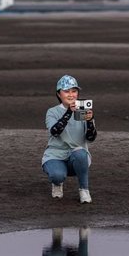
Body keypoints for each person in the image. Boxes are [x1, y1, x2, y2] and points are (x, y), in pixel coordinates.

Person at [42, 75, 97, 204]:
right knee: (57, 175)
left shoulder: (83, 110)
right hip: (55, 155)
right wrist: (69, 112)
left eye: (74, 91)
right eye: (66, 91)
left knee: (80, 152)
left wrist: (90, 121)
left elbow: (91, 138)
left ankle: (84, 190)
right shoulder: (52, 112)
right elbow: (55, 132)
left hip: (77, 157)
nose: (71, 95)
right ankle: (57, 183)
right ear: (59, 94)